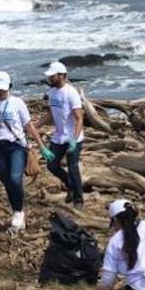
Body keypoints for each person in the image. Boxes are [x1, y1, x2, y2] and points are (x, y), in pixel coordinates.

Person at [0, 71, 48, 233]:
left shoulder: (17, 103)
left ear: (9, 87)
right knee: (6, 180)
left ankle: (18, 213)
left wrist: (42, 146)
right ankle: (17, 210)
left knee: (15, 178)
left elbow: (28, 126)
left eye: (3, 90)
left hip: (17, 145)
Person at [43, 61, 85, 207]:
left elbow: (79, 118)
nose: (50, 79)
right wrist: (34, 126)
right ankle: (71, 186)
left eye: (52, 76)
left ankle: (79, 199)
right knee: (51, 165)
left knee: (73, 166)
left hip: (73, 137)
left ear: (61, 76)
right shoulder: (52, 93)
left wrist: (74, 140)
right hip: (58, 137)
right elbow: (50, 115)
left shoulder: (71, 93)